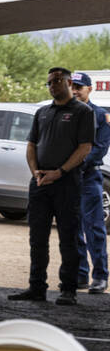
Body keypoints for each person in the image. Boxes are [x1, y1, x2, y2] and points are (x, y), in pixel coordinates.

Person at [8, 67, 94, 306]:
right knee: (37, 237)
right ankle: (36, 287)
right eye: (49, 83)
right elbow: (31, 145)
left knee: (68, 237)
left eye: (56, 81)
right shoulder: (43, 112)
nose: (52, 86)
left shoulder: (82, 112)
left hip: (67, 183)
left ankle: (68, 289)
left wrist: (60, 172)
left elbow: (85, 147)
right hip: (40, 183)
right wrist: (35, 171)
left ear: (68, 82)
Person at [71, 71, 109, 294]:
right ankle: (81, 275)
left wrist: (72, 164)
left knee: (94, 229)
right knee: (73, 228)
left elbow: (99, 150)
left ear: (89, 89)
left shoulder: (100, 116)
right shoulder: (67, 115)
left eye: (80, 87)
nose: (75, 91)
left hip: (88, 178)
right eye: (72, 87)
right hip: (69, 180)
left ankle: (101, 277)